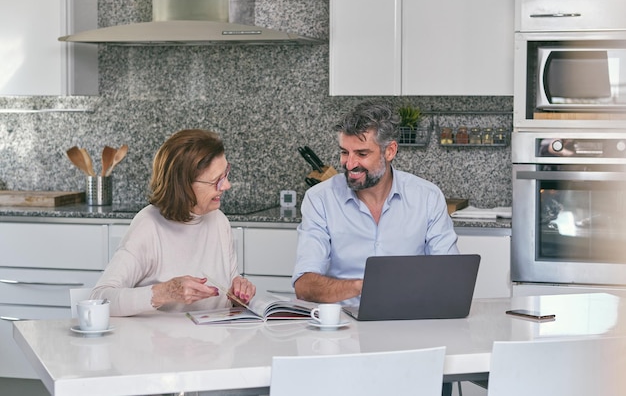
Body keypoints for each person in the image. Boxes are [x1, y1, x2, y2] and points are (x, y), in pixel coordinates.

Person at [292, 101, 459, 305]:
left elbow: (450, 276)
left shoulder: (427, 197)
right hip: (342, 327)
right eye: (345, 152)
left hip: (409, 320)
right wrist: (365, 286)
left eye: (362, 154)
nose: (350, 164)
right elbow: (304, 285)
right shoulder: (319, 199)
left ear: (389, 151)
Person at [91, 129, 256, 316]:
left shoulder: (218, 220)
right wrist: (164, 292)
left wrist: (238, 294)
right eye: (216, 181)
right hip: (158, 343)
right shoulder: (149, 226)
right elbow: (100, 299)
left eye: (225, 174)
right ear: (184, 186)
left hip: (212, 341)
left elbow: (228, 303)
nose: (227, 186)